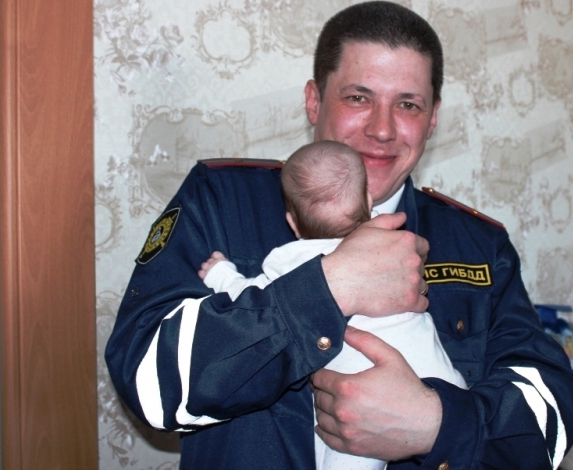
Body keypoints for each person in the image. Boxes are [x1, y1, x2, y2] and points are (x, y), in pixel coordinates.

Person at [105, 0, 573, 469]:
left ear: (433, 118)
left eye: (408, 104)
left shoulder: (478, 245)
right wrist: (331, 286)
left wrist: (437, 424)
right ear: (314, 101)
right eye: (359, 98)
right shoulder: (222, 202)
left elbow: (553, 417)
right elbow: (145, 380)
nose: (382, 129)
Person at [199, 139, 467, 470]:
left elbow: (253, 301)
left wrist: (221, 274)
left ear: (292, 222)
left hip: (363, 398)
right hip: (440, 383)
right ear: (368, 201)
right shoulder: (393, 242)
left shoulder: (291, 260)